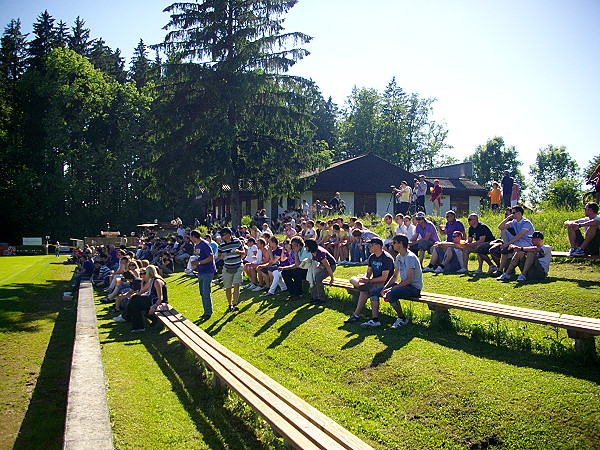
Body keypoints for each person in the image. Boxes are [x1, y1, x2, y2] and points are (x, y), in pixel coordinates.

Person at [360, 234, 423, 329]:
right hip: (404, 285)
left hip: (414, 288)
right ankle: (375, 320)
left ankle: (402, 318)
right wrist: (385, 288)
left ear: (401, 244)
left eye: (394, 243)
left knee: (391, 294)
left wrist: (392, 288)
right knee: (374, 292)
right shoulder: (398, 257)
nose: (392, 245)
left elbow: (409, 280)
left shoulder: (410, 257)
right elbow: (394, 276)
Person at [344, 237, 395, 323]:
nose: (368, 247)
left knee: (364, 291)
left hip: (384, 284)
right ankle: (359, 315)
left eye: (371, 245)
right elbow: (368, 272)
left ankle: (356, 315)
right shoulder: (372, 257)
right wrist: (366, 278)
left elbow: (384, 278)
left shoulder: (386, 258)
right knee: (352, 279)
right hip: (373, 282)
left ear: (378, 246)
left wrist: (368, 281)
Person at [113, 265, 168, 332]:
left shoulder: (157, 281)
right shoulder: (152, 280)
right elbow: (142, 291)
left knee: (135, 300)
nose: (143, 275)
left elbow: (160, 297)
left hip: (157, 302)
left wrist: (154, 306)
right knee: (135, 301)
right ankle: (136, 326)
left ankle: (126, 317)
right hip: (151, 299)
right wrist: (142, 283)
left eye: (145, 273)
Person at [497, 205, 534, 274]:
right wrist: (507, 218)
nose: (512, 214)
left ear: (519, 213)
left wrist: (507, 244)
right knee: (503, 230)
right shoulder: (514, 221)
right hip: (517, 241)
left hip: (527, 243)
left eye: (513, 213)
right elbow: (500, 227)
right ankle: (500, 270)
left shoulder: (526, 223)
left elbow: (518, 236)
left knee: (506, 250)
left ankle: (505, 270)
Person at [189, 230, 216, 319]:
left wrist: (199, 263)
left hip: (207, 271)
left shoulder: (205, 244)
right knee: (202, 292)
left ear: (193, 236)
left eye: (190, 237)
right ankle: (206, 311)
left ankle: (208, 313)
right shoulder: (197, 245)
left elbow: (211, 257)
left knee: (205, 292)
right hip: (200, 271)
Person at [217, 227, 246, 312]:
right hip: (227, 267)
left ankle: (235, 304)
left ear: (229, 235)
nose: (222, 237)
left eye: (223, 235)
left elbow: (243, 252)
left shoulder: (237, 241)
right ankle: (229, 304)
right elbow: (219, 256)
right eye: (221, 235)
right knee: (228, 287)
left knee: (236, 285)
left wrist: (238, 251)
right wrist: (221, 257)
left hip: (238, 266)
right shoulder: (221, 245)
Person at [304, 239, 336, 305]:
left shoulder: (320, 253)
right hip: (321, 265)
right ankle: (314, 297)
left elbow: (328, 266)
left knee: (318, 278)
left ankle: (321, 298)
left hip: (331, 266)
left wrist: (332, 278)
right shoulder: (313, 251)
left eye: (306, 246)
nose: (305, 247)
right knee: (312, 277)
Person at [280, 236, 312, 301]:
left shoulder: (305, 251)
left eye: (293, 246)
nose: (293, 248)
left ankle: (299, 294)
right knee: (285, 273)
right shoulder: (299, 251)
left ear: (298, 245)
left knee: (296, 272)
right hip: (302, 269)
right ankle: (293, 293)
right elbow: (295, 265)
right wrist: (285, 268)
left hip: (309, 270)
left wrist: (296, 253)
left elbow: (298, 265)